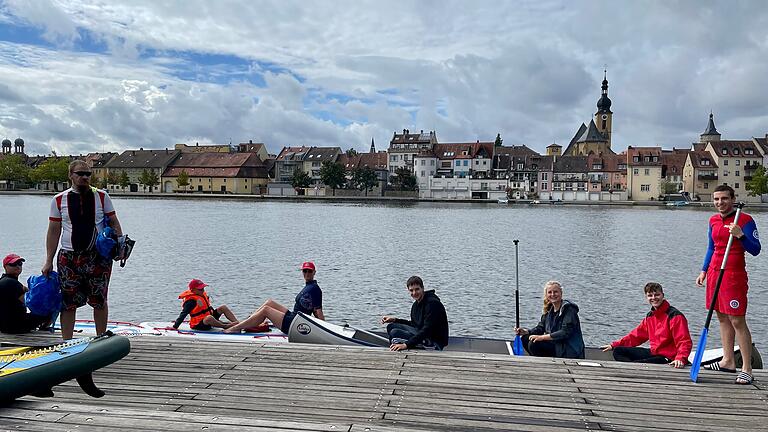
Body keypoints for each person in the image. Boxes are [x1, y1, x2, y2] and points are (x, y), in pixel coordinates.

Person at [42, 160, 125, 340]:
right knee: (68, 302)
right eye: (80, 174)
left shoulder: (102, 197)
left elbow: (114, 222)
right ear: (70, 175)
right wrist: (48, 260)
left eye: (88, 174)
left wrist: (120, 247)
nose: (85, 177)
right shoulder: (59, 200)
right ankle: (67, 341)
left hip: (98, 257)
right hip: (69, 257)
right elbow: (53, 231)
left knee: (100, 299)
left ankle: (102, 338)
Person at [696, 184, 761, 385]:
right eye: (716, 199)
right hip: (716, 272)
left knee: (737, 320)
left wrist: (740, 235)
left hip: (733, 274)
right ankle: (728, 360)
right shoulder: (713, 220)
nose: (719, 203)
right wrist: (704, 270)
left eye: (724, 198)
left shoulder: (745, 219)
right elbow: (711, 247)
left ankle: (747, 368)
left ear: (732, 199)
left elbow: (756, 249)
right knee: (722, 317)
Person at [600, 282, 692, 368]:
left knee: (638, 364)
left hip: (669, 357)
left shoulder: (675, 316)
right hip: (654, 353)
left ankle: (634, 369)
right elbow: (636, 336)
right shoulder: (650, 316)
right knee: (618, 351)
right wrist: (614, 345)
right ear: (646, 297)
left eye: (657, 295)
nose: (654, 298)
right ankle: (634, 368)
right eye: (650, 295)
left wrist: (680, 358)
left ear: (663, 295)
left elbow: (684, 341)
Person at [225, 261, 324, 334]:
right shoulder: (309, 286)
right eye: (304, 271)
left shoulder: (315, 289)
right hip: (293, 316)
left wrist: (324, 329)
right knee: (269, 302)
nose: (307, 273)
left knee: (266, 310)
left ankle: (237, 328)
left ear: (314, 272)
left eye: (309, 271)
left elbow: (318, 312)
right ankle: (242, 323)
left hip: (294, 324)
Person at [514, 280, 585, 359]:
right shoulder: (549, 310)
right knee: (525, 338)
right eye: (550, 292)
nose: (553, 294)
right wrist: (526, 331)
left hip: (568, 348)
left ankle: (547, 362)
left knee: (534, 343)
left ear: (561, 293)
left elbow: (565, 332)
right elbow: (540, 328)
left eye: (555, 292)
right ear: (546, 294)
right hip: (555, 345)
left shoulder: (569, 309)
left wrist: (542, 337)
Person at [380, 276, 449, 351]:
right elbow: (414, 324)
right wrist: (394, 320)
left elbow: (427, 330)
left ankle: (396, 351)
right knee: (391, 326)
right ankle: (398, 346)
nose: (414, 293)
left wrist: (406, 345)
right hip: (423, 335)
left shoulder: (432, 304)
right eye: (411, 290)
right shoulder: (416, 305)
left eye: (417, 289)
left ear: (422, 288)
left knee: (395, 333)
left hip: (434, 342)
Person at [0, 254, 50, 333]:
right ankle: (44, 328)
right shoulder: (11, 283)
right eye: (13, 264)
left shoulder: (5, 281)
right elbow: (31, 303)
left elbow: (26, 291)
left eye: (20, 264)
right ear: (5, 267)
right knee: (48, 311)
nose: (17, 266)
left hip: (4, 325)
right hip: (14, 326)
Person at [174, 279, 239, 330]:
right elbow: (183, 314)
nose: (203, 290)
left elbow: (208, 308)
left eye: (203, 288)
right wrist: (175, 326)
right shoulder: (191, 301)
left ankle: (237, 323)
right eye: (200, 289)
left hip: (209, 317)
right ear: (193, 290)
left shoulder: (202, 295)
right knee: (209, 318)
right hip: (199, 324)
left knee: (223, 307)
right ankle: (225, 326)